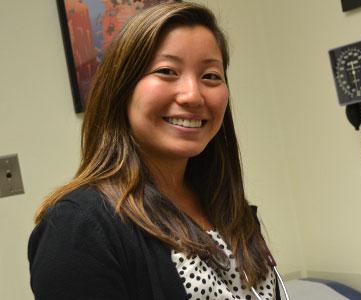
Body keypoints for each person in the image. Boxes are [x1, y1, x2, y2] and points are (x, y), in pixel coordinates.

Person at [28, 3, 279, 299]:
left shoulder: (229, 210)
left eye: (210, 76)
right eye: (167, 71)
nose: (193, 95)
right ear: (121, 89)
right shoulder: (78, 227)